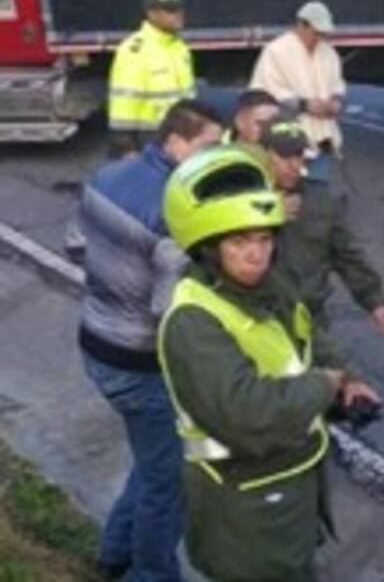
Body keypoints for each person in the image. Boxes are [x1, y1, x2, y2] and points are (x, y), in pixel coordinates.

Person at [157, 146, 382, 582]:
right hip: (244, 508)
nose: (256, 254)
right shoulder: (192, 323)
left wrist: (346, 379)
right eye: (240, 241)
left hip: (290, 489)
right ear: (208, 248)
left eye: (264, 239)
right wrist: (323, 385)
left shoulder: (269, 284)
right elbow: (247, 416)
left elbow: (304, 333)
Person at [77, 99, 224, 582]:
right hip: (138, 365)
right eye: (206, 146)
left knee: (150, 460)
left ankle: (113, 554)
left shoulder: (107, 175)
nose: (211, 157)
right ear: (175, 141)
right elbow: (168, 311)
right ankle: (151, 575)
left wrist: (117, 276)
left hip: (94, 342)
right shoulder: (173, 208)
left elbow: (74, 244)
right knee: (168, 482)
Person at [261, 119, 384, 336]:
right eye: (284, 156)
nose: (294, 165)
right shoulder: (239, 199)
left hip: (311, 320)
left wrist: (376, 302)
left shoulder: (319, 198)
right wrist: (266, 215)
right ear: (262, 155)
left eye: (298, 156)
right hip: (262, 321)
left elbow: (345, 252)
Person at [250, 1, 347, 183]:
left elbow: (338, 85)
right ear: (301, 24)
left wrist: (336, 102)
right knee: (288, 194)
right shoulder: (276, 51)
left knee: (318, 194)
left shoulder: (329, 53)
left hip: (323, 141)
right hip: (288, 144)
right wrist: (305, 105)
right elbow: (265, 94)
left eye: (323, 34)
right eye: (316, 33)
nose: (319, 38)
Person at [108, 0, 196, 157]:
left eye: (179, 9)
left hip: (180, 134)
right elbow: (124, 102)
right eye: (170, 10)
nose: (178, 14)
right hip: (150, 138)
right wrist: (126, 146)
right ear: (152, 14)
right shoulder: (135, 50)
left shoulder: (180, 48)